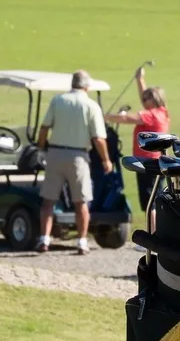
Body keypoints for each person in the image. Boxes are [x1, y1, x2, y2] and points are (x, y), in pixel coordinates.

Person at [36, 70, 112, 254]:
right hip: (78, 156)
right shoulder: (91, 105)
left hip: (55, 153)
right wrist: (106, 160)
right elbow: (98, 139)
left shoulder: (58, 100)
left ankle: (44, 239)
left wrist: (41, 148)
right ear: (87, 86)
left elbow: (44, 128)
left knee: (48, 201)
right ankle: (81, 242)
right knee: (81, 201)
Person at [106, 67, 169, 212]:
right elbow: (145, 97)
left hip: (148, 162)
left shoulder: (151, 115)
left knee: (150, 203)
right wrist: (140, 80)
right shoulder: (161, 112)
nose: (143, 101)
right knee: (154, 200)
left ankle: (153, 226)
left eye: (147, 99)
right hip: (155, 162)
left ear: (154, 100)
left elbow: (127, 118)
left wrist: (105, 117)